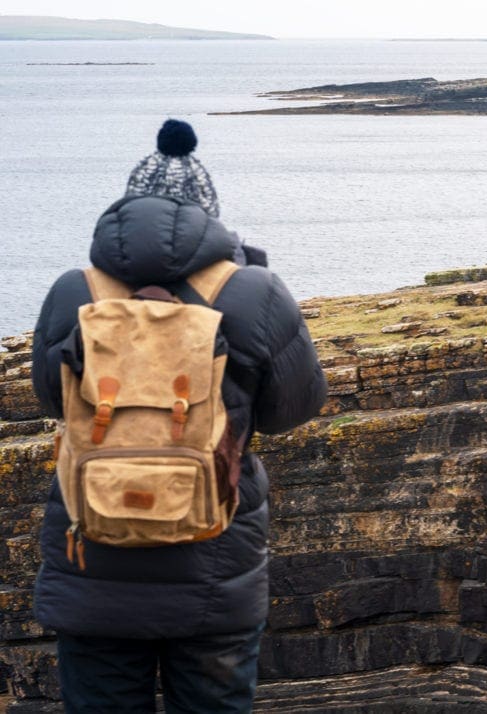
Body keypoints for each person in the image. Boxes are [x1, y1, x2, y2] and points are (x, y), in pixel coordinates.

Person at [30, 118, 327, 713]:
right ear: (210, 216)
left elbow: (48, 397)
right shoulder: (253, 291)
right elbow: (295, 409)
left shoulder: (75, 290)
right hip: (214, 565)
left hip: (92, 563)